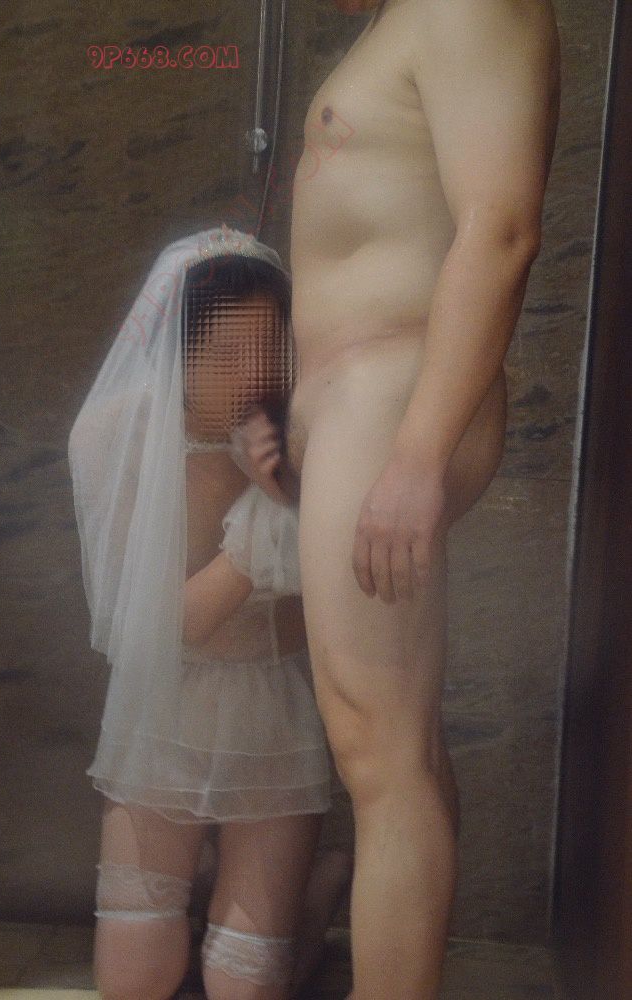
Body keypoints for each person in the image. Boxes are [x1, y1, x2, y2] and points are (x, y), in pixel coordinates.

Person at [285, 1, 561, 997]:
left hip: (393, 406)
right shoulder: (401, 19)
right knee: (399, 744)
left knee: (381, 752)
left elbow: (502, 228)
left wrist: (414, 455)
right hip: (367, 409)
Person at [67, 227, 353, 1000]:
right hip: (160, 707)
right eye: (225, 355)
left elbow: (329, 610)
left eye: (269, 352)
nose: (252, 376)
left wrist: (278, 488)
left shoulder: (308, 435)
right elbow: (161, 633)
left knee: (239, 982)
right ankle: (239, 898)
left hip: (271, 713)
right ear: (173, 352)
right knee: (134, 981)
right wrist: (261, 527)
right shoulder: (113, 436)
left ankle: (312, 899)